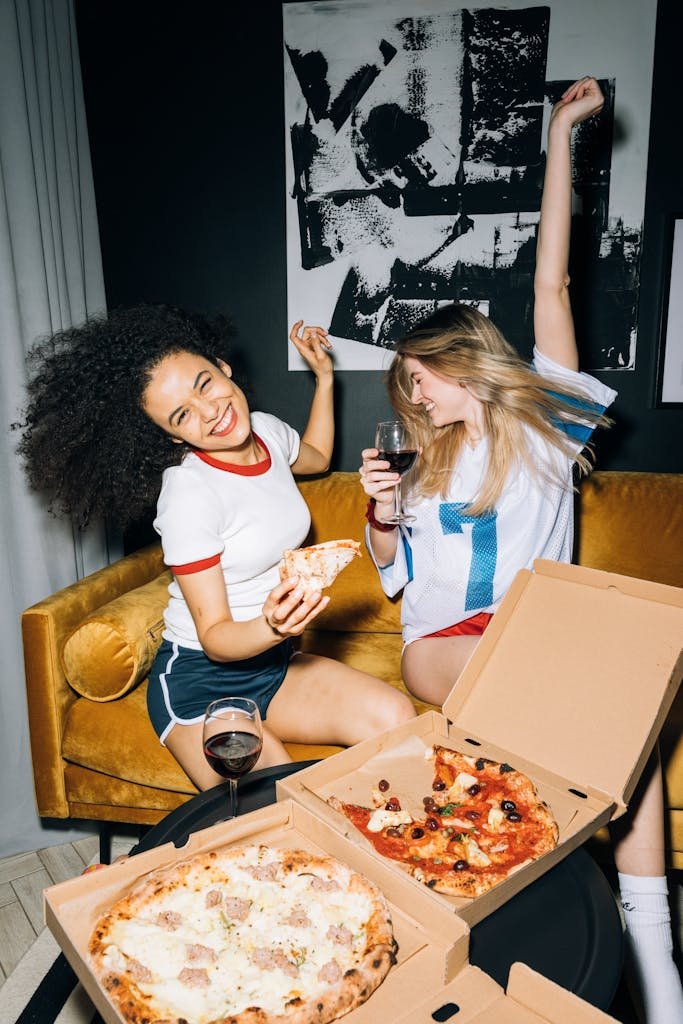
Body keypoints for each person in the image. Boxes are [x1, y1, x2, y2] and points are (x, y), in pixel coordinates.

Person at [359, 77, 681, 1024]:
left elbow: (552, 281)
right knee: (537, 700)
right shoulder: (412, 463)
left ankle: (649, 945)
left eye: (427, 377)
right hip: (445, 640)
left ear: (467, 362)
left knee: (629, 728)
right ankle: (542, 920)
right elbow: (394, 578)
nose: (416, 397)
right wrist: (380, 513)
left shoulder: (549, 432)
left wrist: (560, 139)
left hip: (541, 631)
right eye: (407, 384)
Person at [18, 305, 415, 790]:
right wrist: (272, 624)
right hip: (202, 682)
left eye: (203, 383)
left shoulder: (265, 430)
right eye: (183, 414)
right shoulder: (189, 493)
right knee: (277, 808)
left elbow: (315, 457)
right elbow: (216, 637)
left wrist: (326, 379)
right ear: (168, 434)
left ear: (222, 366)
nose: (211, 413)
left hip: (273, 664)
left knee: (396, 717)